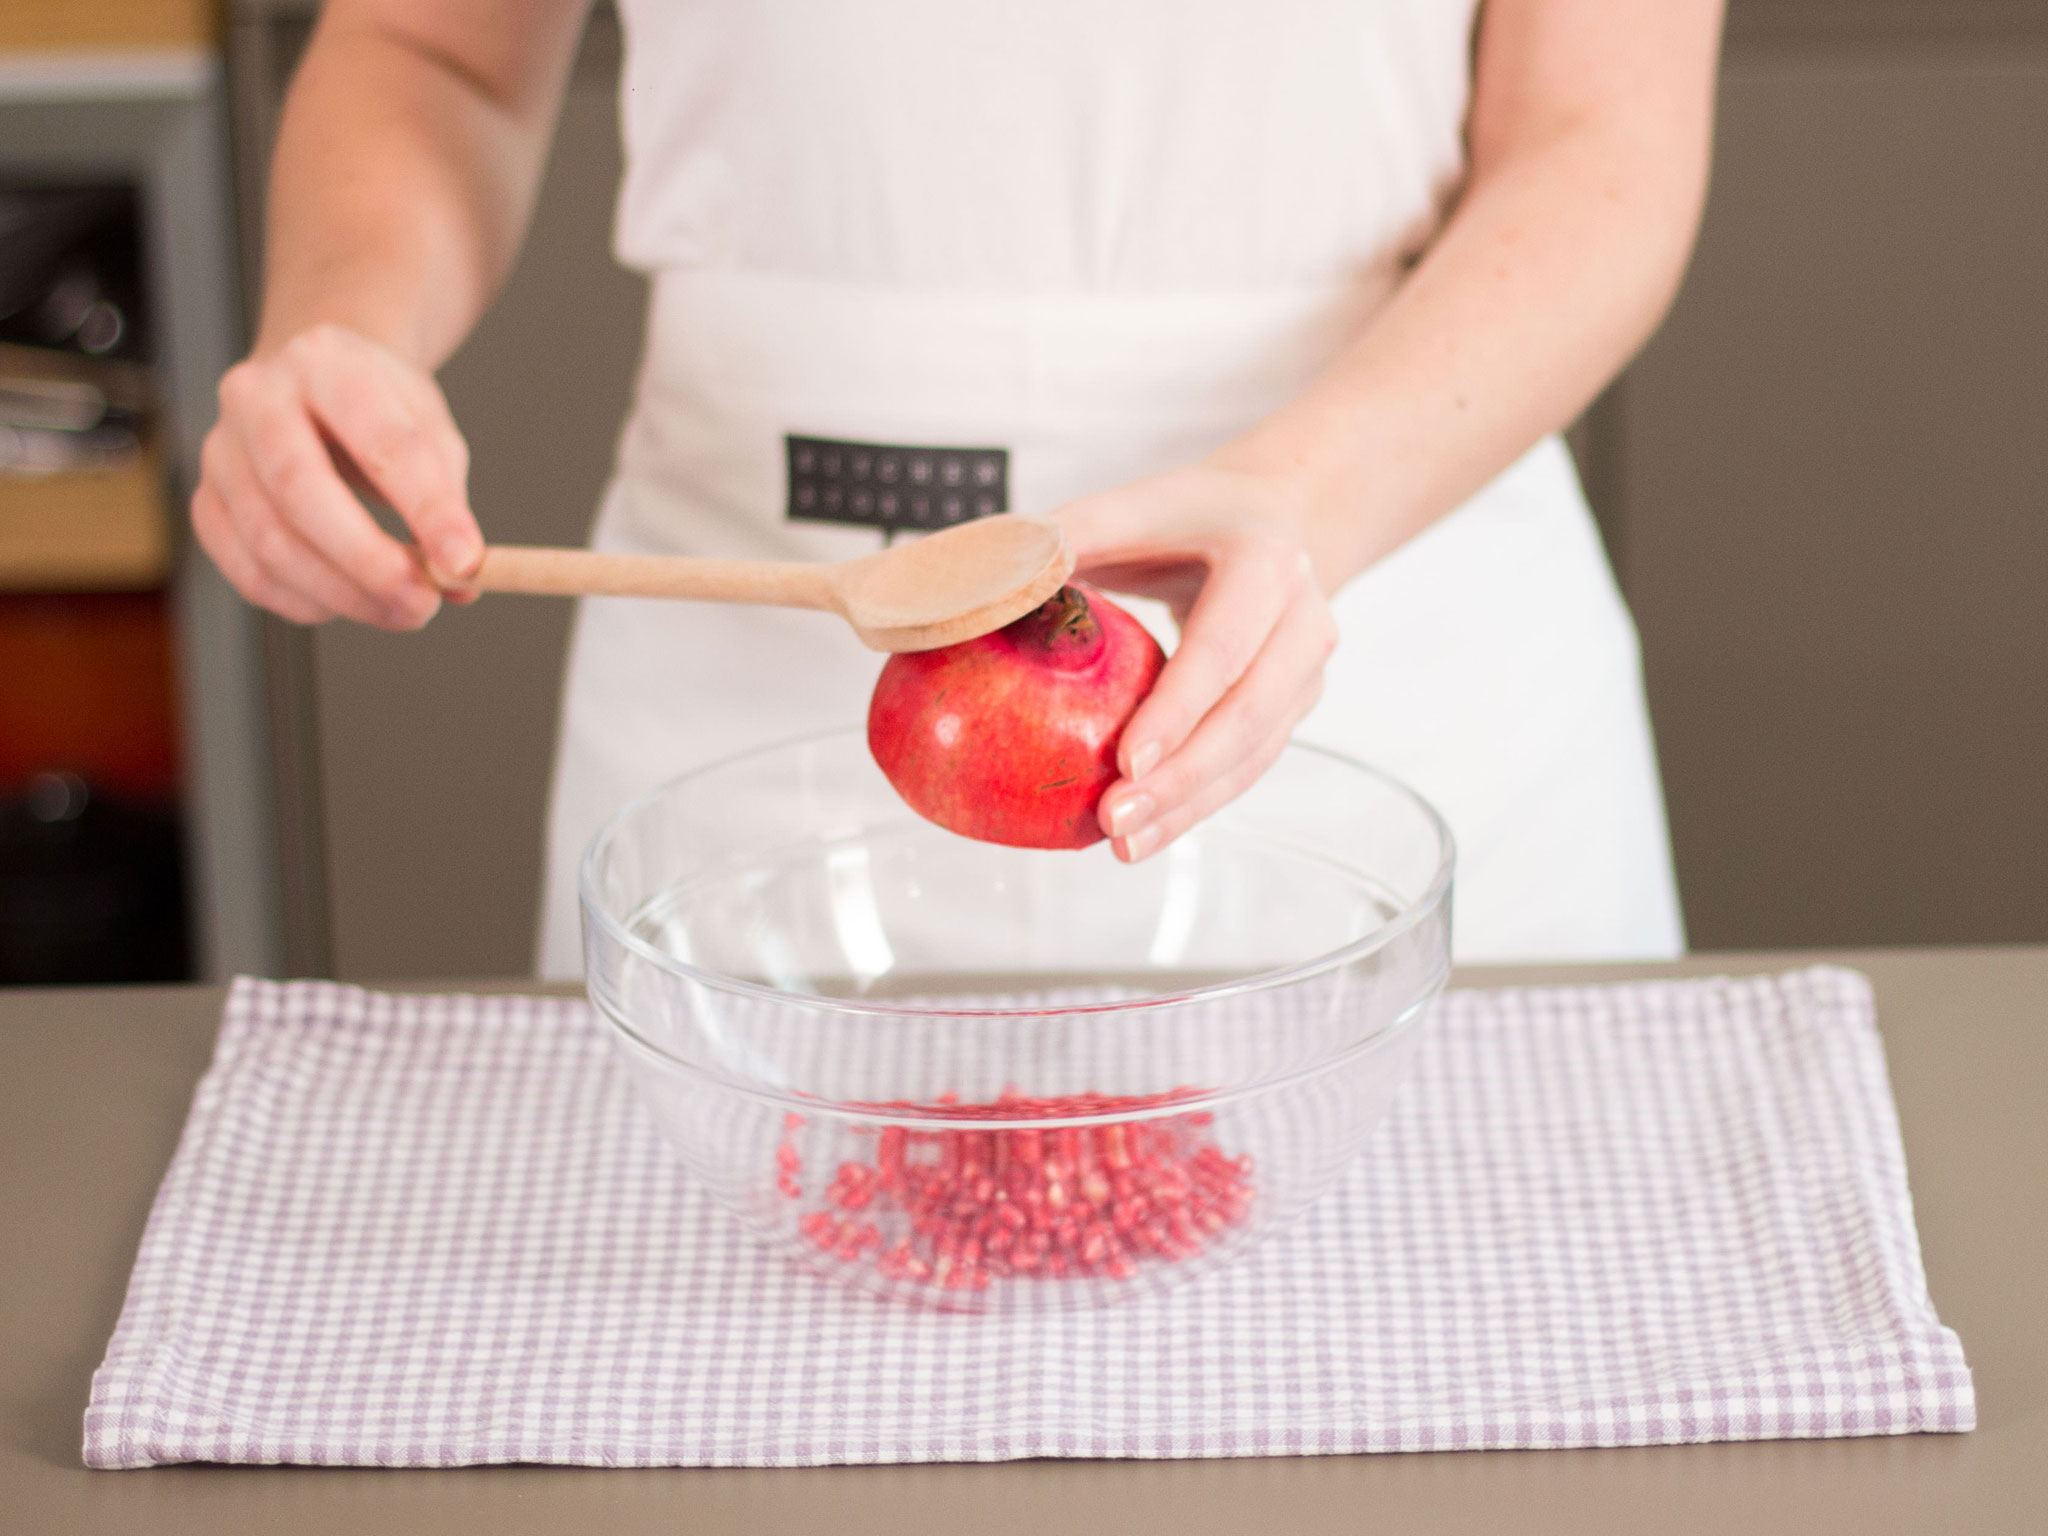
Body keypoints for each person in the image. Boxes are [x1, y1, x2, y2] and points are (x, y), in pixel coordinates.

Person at [193, 0, 1724, 976]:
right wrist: (342, 329)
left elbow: (1600, 139)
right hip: (735, 704)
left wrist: (1303, 498)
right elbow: (432, 50)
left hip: (1395, 621)